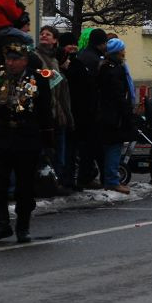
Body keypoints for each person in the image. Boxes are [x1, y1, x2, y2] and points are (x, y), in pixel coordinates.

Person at [0, 43, 53, 243]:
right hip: (2, 136)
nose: (10, 63)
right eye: (8, 59)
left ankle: (23, 226)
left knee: (25, 185)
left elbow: (46, 110)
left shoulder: (37, 78)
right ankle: (2, 224)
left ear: (24, 60)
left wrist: (48, 140)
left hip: (27, 138)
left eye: (15, 59)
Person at [35, 25, 75, 193]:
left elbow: (61, 91)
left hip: (58, 113)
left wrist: (67, 115)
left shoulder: (54, 59)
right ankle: (47, 183)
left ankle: (57, 182)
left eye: (48, 34)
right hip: (46, 111)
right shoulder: (36, 57)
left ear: (55, 40)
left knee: (59, 152)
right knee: (47, 151)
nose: (44, 36)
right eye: (42, 33)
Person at [67, 28, 107, 189]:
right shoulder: (96, 60)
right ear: (102, 43)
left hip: (79, 108)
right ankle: (88, 177)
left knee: (85, 146)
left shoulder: (83, 55)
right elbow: (96, 86)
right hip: (90, 109)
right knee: (92, 146)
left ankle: (86, 175)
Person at [96, 38, 134, 194]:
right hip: (113, 115)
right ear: (118, 51)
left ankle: (108, 178)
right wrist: (127, 113)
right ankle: (112, 180)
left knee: (107, 146)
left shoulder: (103, 66)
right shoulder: (116, 69)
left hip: (103, 113)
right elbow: (119, 95)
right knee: (114, 147)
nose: (124, 52)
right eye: (123, 49)